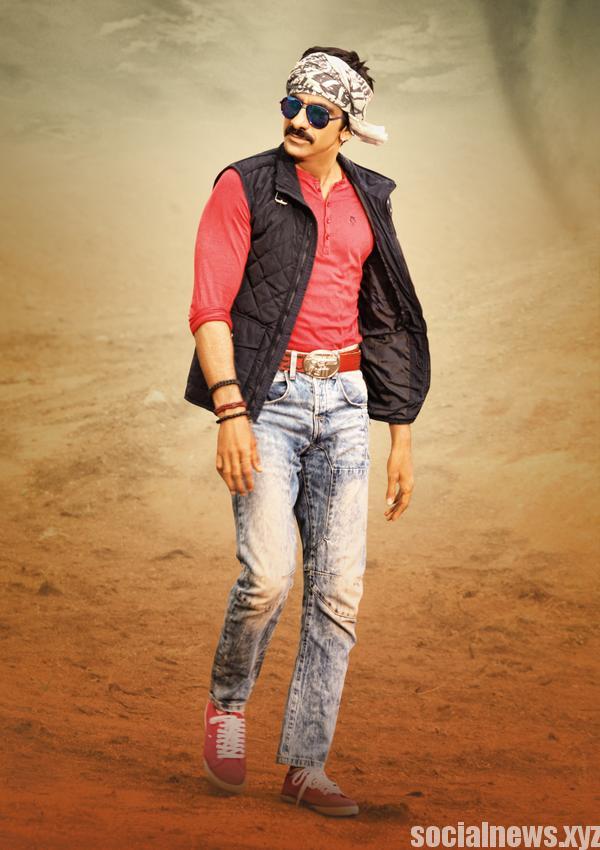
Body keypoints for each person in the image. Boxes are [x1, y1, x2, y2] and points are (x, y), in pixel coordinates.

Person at [184, 46, 431, 817]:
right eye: (291, 104)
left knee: (338, 595)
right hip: (269, 399)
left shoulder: (369, 199)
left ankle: (306, 765)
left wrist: (400, 431)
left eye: (317, 112)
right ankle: (228, 704)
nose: (297, 120)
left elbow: (385, 318)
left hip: (347, 405)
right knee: (267, 577)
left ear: (346, 126)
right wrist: (231, 410)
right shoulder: (243, 185)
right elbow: (209, 307)